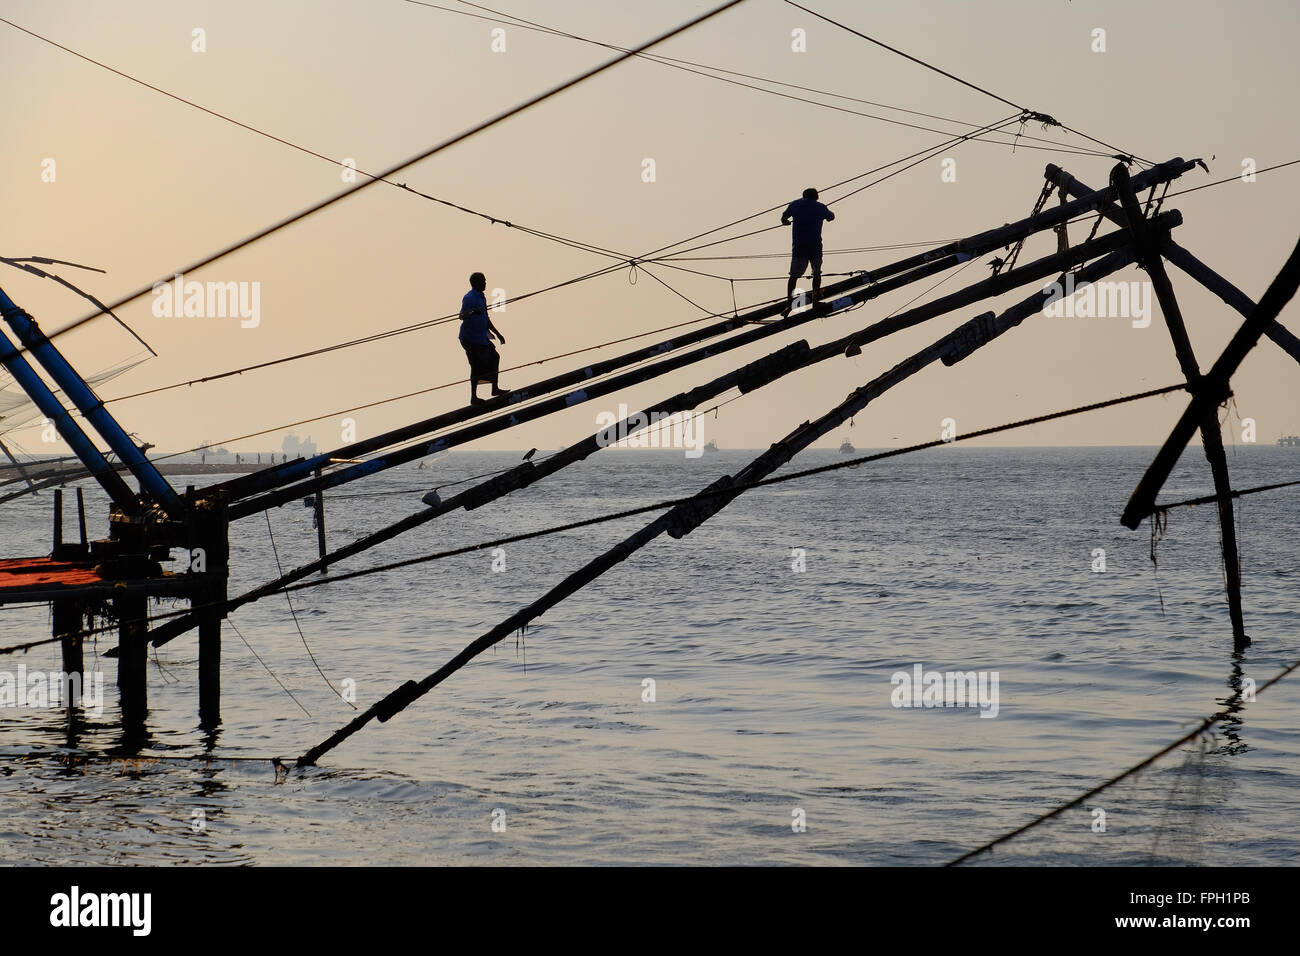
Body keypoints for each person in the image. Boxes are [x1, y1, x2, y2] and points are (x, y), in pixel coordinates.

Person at [781, 187, 835, 314]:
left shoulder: (795, 204)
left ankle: (789, 305)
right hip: (814, 246)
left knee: (793, 276)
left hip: (799, 246)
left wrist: (786, 222)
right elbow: (831, 217)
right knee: (816, 273)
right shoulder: (820, 207)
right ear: (816, 197)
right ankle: (815, 303)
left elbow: (784, 218)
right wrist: (827, 215)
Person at [458, 271, 508, 404]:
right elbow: (462, 316)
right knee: (476, 364)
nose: (485, 283)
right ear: (476, 283)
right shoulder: (469, 298)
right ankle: (473, 397)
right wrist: (472, 312)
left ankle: (494, 388)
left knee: (494, 357)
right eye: (483, 281)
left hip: (480, 337)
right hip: (469, 338)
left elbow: (486, 318)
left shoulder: (481, 297)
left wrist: (498, 334)